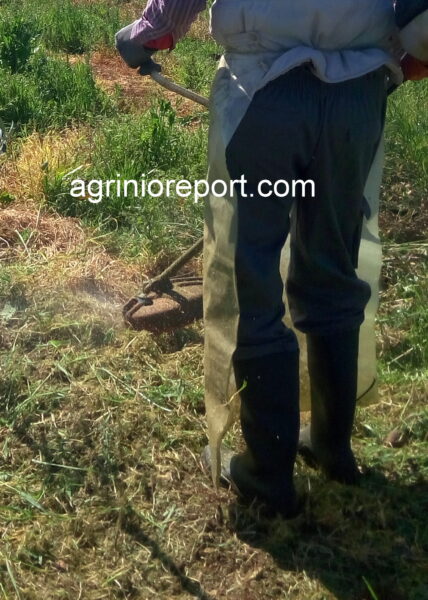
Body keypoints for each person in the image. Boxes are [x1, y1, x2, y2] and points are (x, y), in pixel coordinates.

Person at [116, 0, 427, 518]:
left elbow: (168, 21)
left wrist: (147, 34)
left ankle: (266, 473)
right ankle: (332, 445)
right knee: (333, 267)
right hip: (357, 95)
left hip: (265, 90)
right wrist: (412, 50)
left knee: (252, 280)